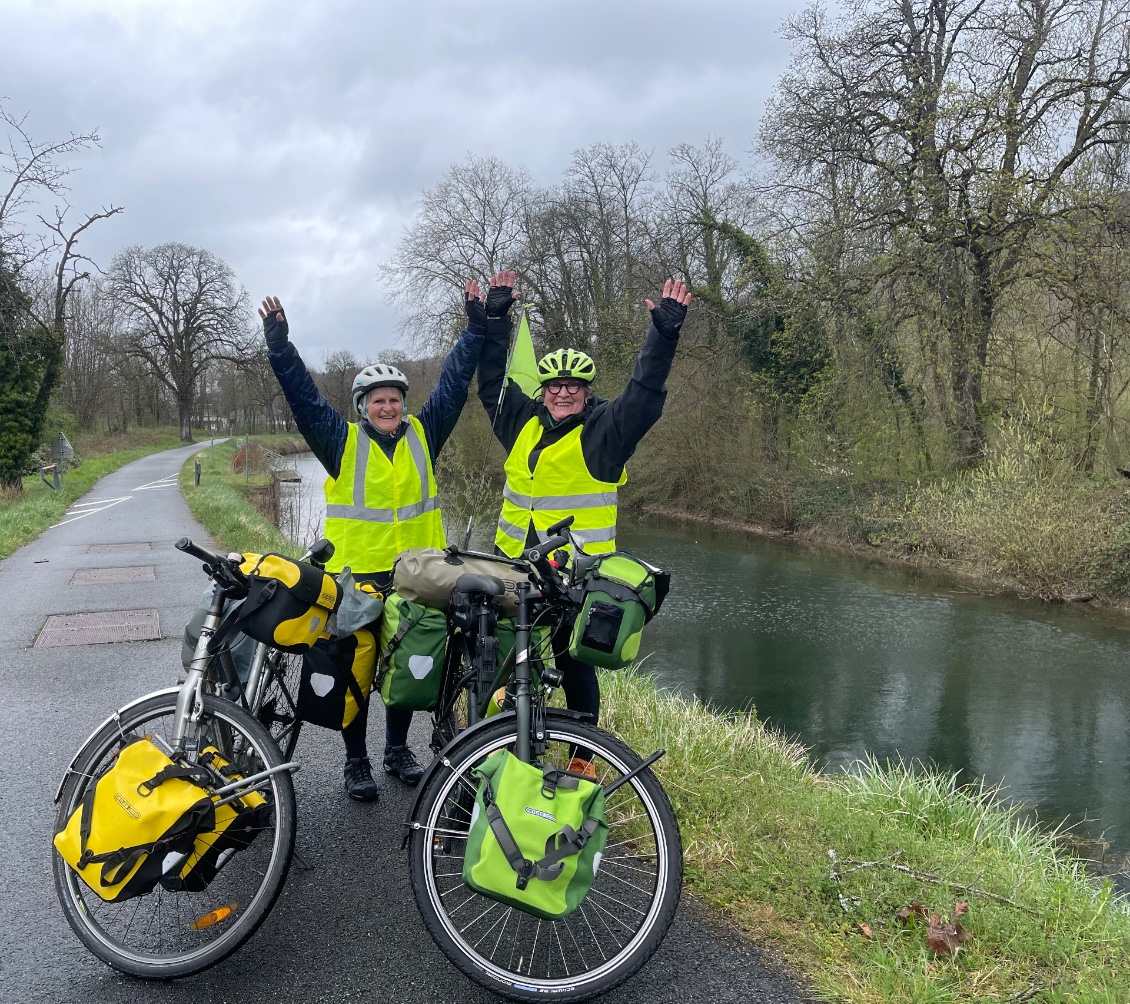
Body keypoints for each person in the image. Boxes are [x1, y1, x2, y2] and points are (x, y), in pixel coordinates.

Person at [260, 280, 495, 801]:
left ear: (403, 405)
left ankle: (396, 750)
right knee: (357, 675)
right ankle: (356, 761)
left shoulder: (424, 434)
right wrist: (281, 348)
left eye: (394, 400)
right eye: (377, 401)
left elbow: (455, 384)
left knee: (408, 670)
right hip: (356, 581)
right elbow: (303, 398)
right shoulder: (338, 440)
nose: (387, 407)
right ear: (362, 406)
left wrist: (476, 327)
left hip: (415, 579)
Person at [476, 275, 692, 774]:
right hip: (515, 569)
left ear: (586, 391)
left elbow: (642, 395)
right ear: (544, 391)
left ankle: (582, 758)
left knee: (576, 665)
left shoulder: (605, 432)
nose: (564, 393)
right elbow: (492, 381)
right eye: (555, 386)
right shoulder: (523, 422)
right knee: (508, 663)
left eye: (574, 386)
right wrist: (494, 318)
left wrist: (663, 334)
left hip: (576, 575)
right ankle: (504, 751)